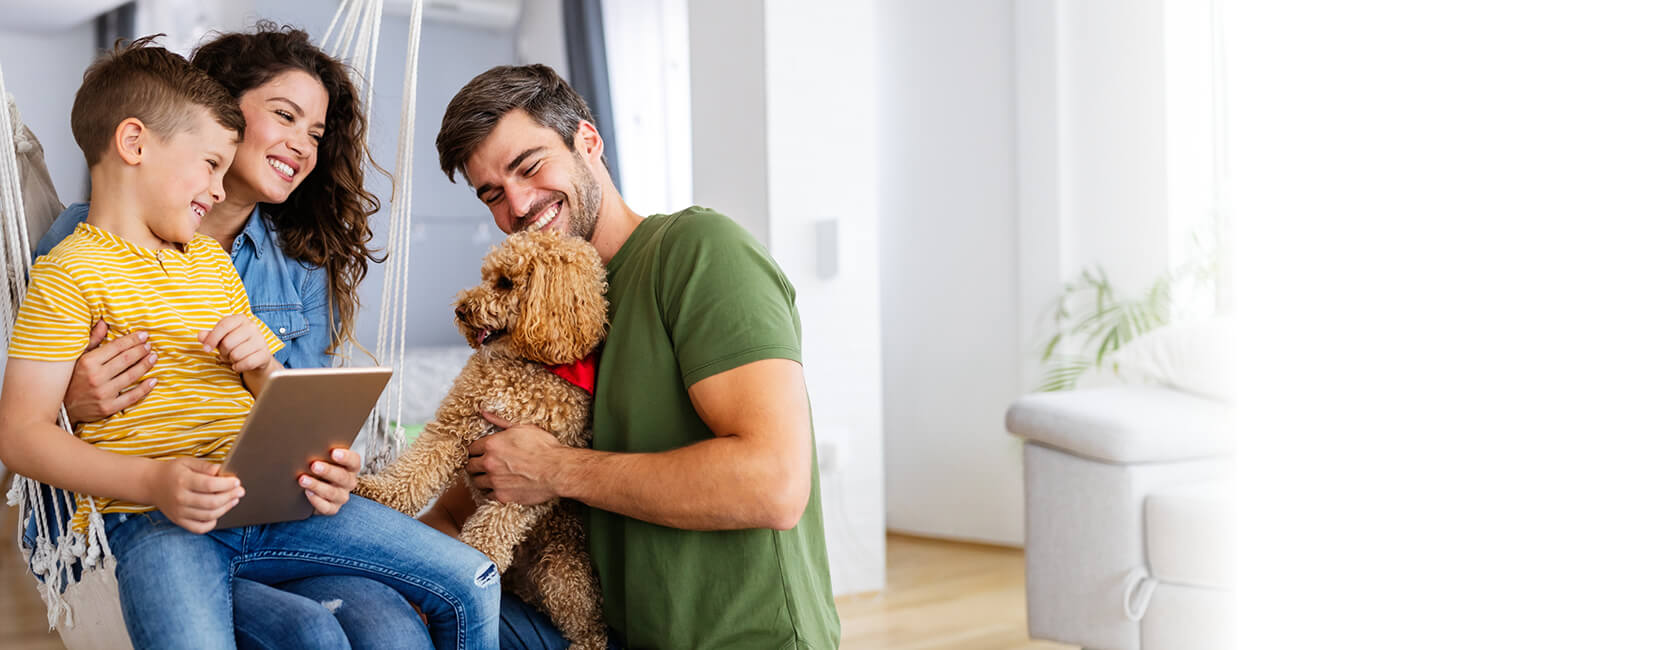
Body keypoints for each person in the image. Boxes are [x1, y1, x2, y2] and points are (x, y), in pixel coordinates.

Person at [0, 39, 499, 649]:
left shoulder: (210, 264)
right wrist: (137, 466)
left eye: (316, 132)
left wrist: (270, 376)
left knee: (470, 577)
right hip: (155, 515)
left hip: (270, 503)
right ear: (135, 144)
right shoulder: (67, 269)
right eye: (210, 162)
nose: (214, 185)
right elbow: (21, 431)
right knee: (304, 634)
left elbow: (280, 395)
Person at [425, 64, 841, 649]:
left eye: (530, 165)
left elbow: (774, 483)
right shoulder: (538, 321)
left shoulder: (698, 252)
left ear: (588, 142)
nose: (516, 205)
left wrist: (556, 470)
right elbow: (470, 494)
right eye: (492, 193)